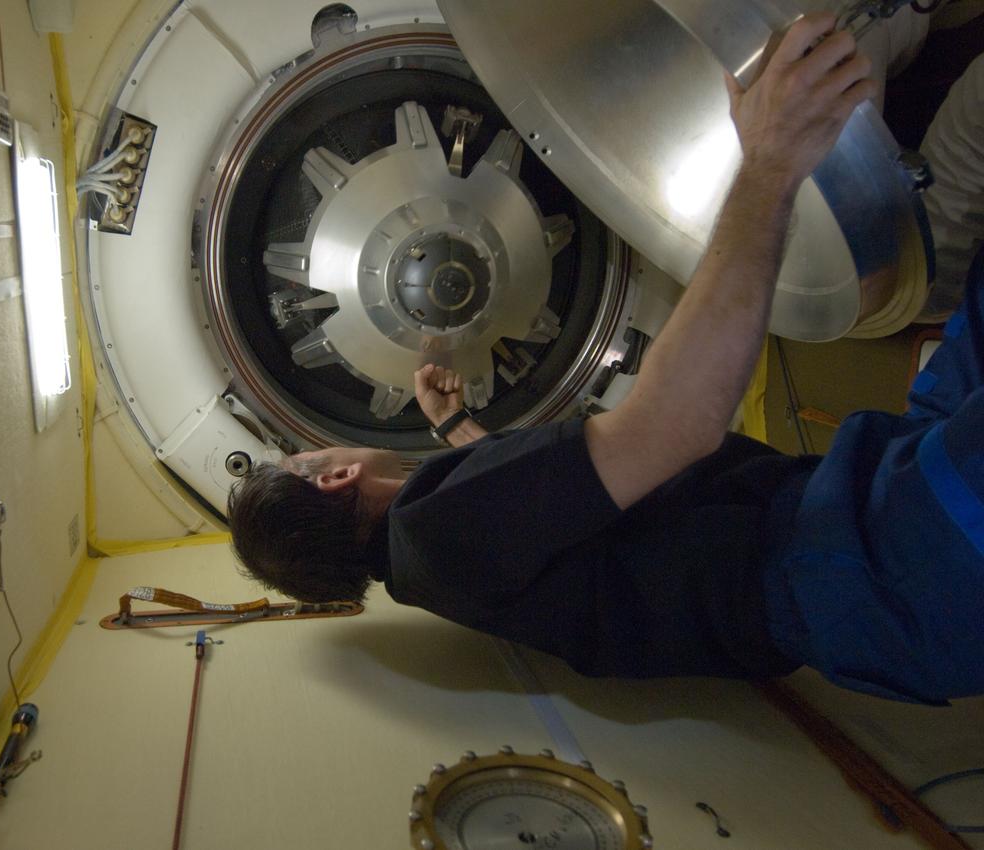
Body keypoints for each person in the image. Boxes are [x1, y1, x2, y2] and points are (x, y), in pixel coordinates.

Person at [228, 14, 984, 704]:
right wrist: (772, 164)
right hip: (865, 565)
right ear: (331, 477)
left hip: (856, 540)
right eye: (304, 457)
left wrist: (456, 423)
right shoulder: (436, 534)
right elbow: (672, 430)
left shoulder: (435, 561)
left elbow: (556, 512)